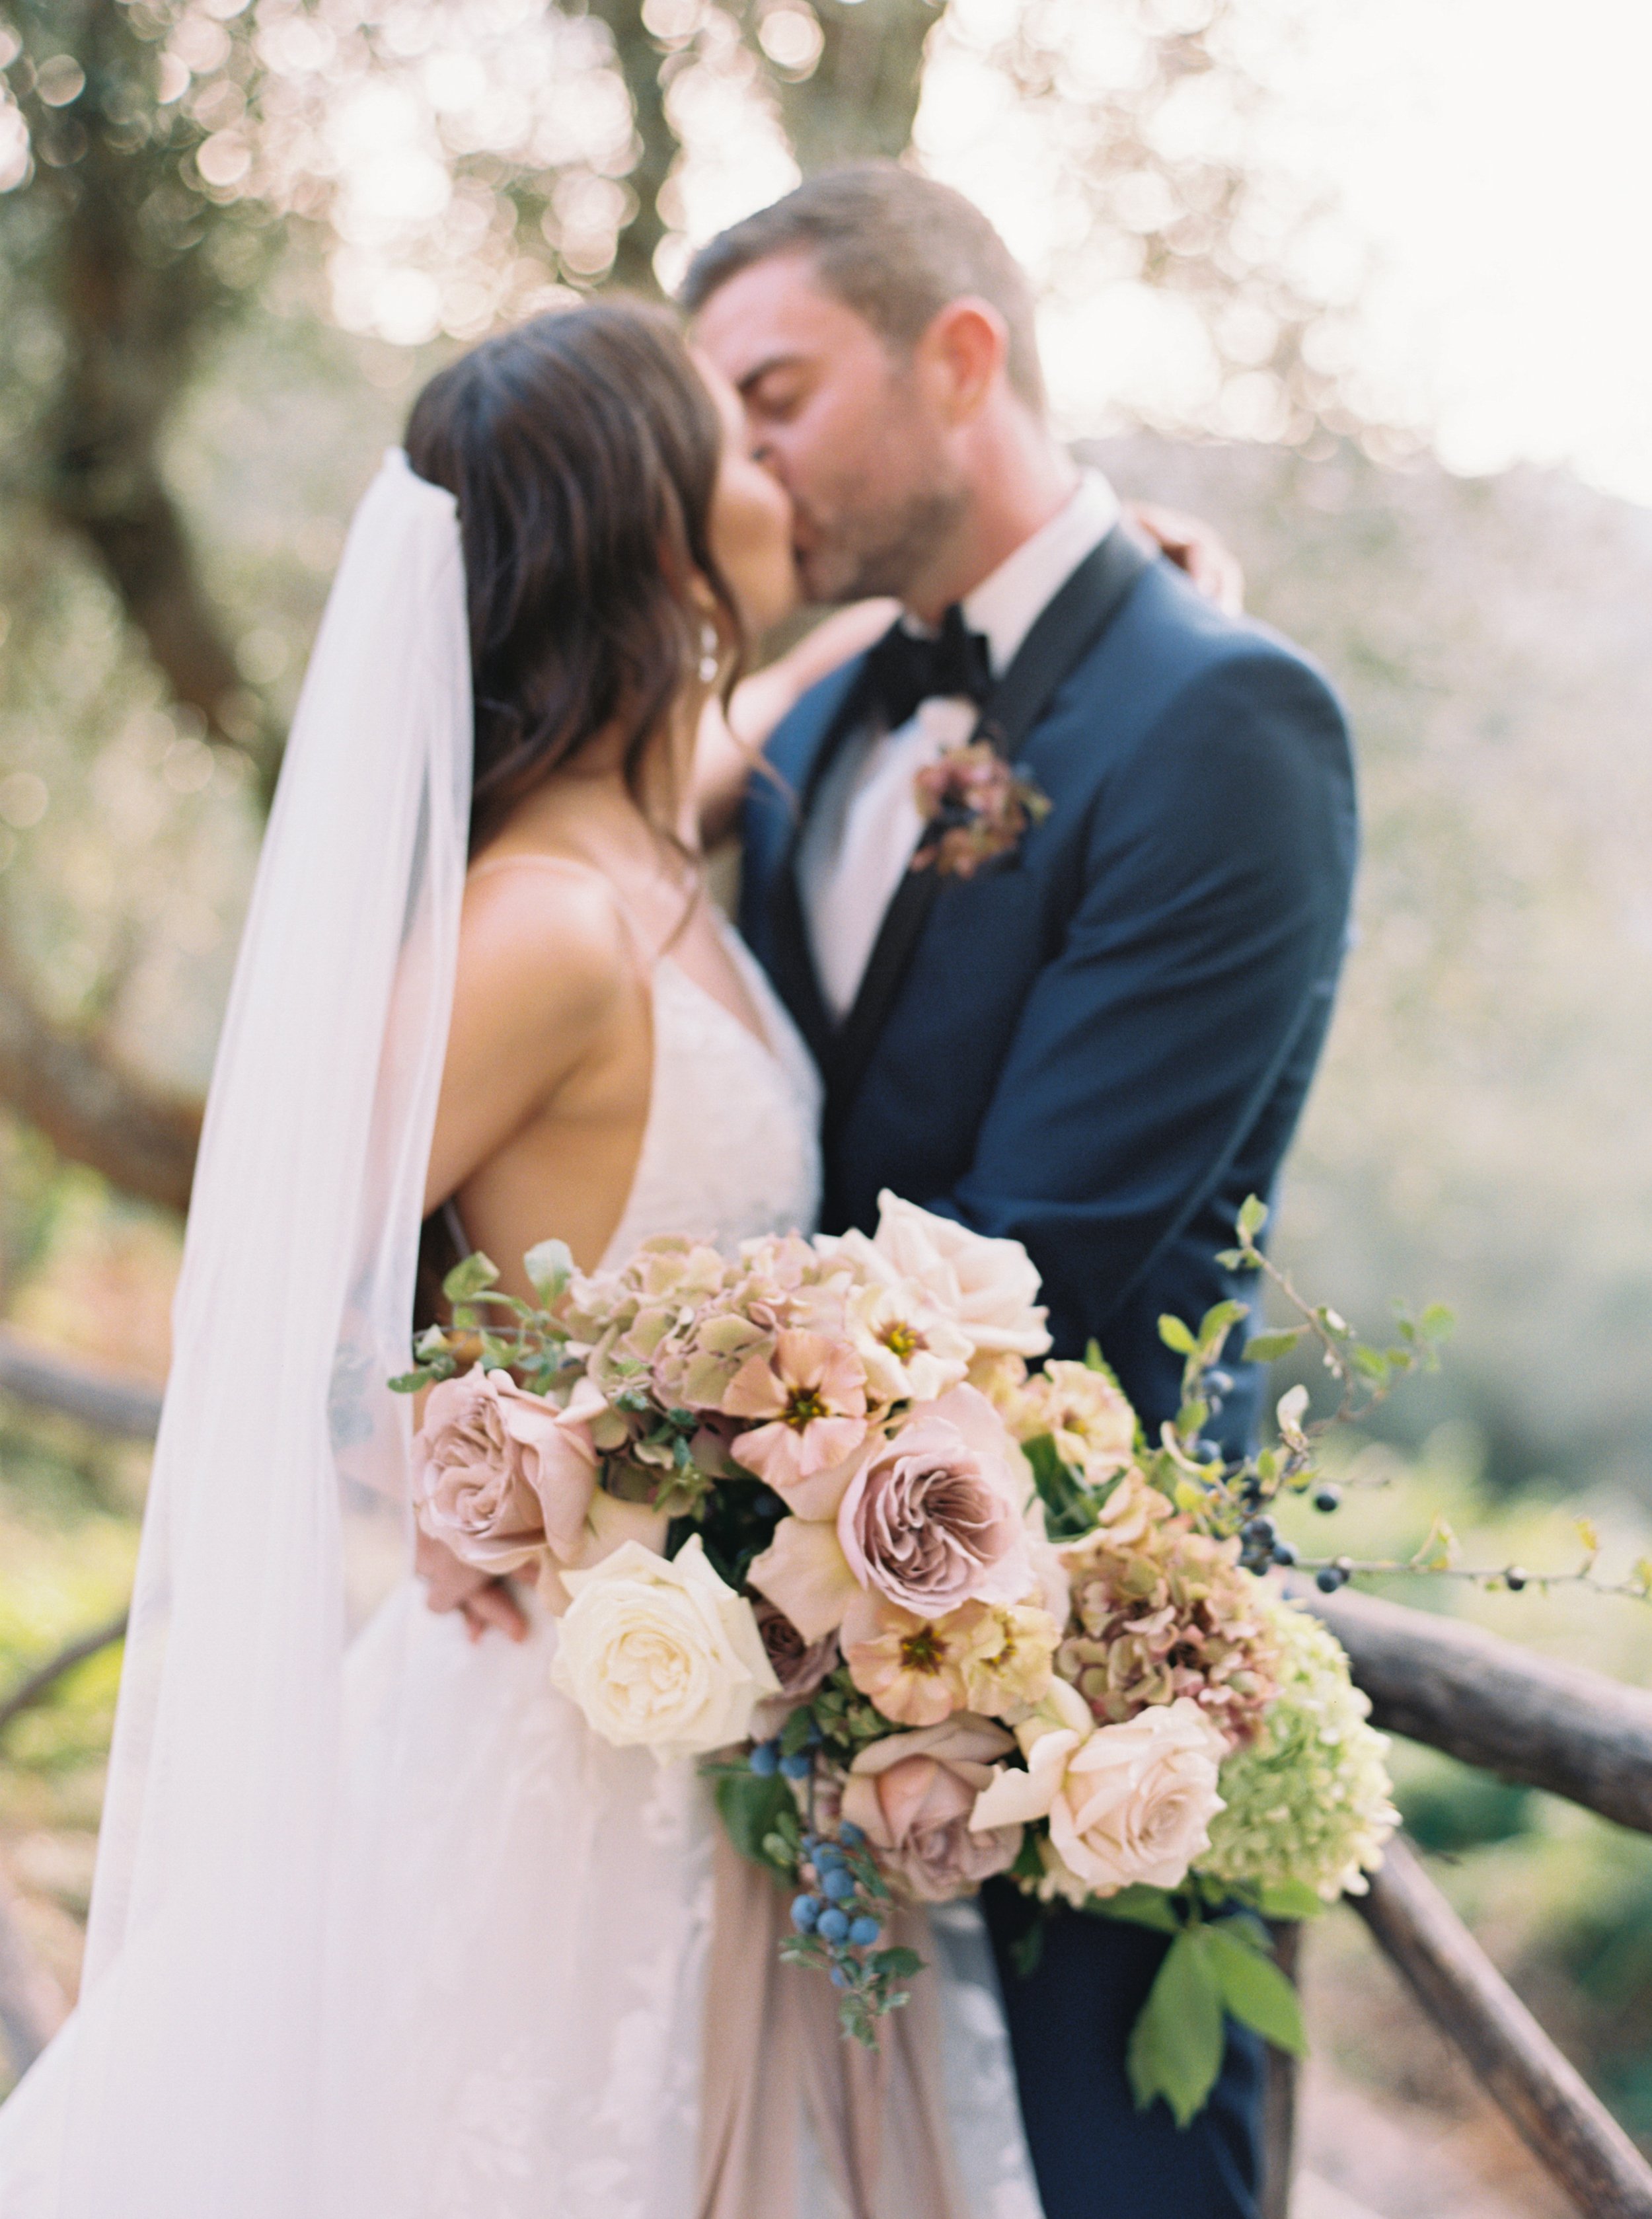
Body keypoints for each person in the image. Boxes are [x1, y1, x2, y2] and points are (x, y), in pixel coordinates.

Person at [682, 165, 1359, 2219]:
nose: (747, 458)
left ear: (958, 358)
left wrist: (645, 1401)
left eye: (777, 392)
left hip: (1096, 1684)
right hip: (795, 1681)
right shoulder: (824, 723)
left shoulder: (1219, 717)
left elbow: (1040, 1252)